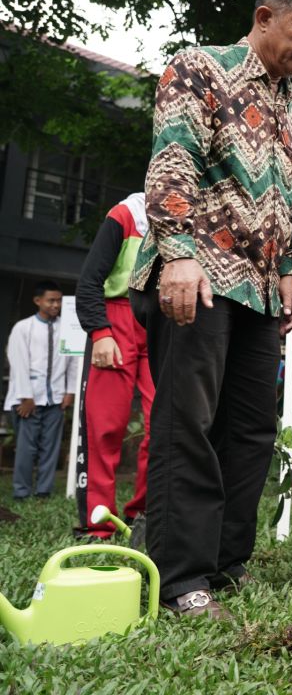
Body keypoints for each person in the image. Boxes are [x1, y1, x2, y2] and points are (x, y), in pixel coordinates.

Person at [128, 0, 292, 617]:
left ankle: (223, 565)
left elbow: (288, 201)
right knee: (188, 421)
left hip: (264, 292)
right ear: (265, 16)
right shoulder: (201, 69)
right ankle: (179, 575)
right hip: (201, 277)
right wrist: (178, 256)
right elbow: (173, 161)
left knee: (251, 429)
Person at [73, 193, 155, 540]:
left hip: (163, 323)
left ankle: (146, 513)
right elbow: (89, 280)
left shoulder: (196, 215)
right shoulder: (127, 214)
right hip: (117, 318)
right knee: (106, 425)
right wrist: (100, 331)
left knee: (162, 423)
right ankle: (98, 523)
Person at [5, 281, 77, 499]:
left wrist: (70, 391)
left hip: (55, 398)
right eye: (51, 300)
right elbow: (18, 363)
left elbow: (73, 361)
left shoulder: (66, 328)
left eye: (58, 301)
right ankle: (21, 491)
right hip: (29, 400)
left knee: (51, 447)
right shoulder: (23, 328)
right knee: (27, 448)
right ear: (38, 301)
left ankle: (44, 490)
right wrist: (26, 396)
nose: (56, 305)